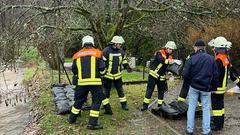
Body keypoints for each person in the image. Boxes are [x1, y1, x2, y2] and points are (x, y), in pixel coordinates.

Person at [68, 35, 112, 130]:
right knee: (96, 102)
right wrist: (103, 74)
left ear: (83, 43)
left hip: (82, 83)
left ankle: (71, 119)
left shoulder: (76, 55)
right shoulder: (98, 53)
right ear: (92, 43)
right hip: (95, 83)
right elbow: (102, 68)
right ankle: (92, 124)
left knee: (79, 101)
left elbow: (74, 71)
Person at [184, 39, 218, 135]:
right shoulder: (211, 59)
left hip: (194, 87)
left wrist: (190, 82)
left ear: (196, 48)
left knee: (191, 108)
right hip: (206, 88)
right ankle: (207, 131)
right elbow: (215, 75)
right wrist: (214, 88)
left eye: (194, 47)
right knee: (206, 109)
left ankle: (190, 130)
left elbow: (185, 74)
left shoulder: (192, 58)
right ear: (204, 48)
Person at [141, 41, 177, 111]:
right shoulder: (159, 52)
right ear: (166, 48)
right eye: (170, 49)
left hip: (162, 77)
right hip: (153, 75)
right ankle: (145, 106)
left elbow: (169, 67)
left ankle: (160, 106)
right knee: (149, 90)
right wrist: (171, 61)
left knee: (161, 92)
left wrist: (170, 75)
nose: (171, 50)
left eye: (172, 49)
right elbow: (161, 60)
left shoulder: (170, 57)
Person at [102, 36, 132, 111]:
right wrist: (102, 72)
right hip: (107, 75)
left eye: (120, 44)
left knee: (120, 90)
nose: (120, 45)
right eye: (119, 44)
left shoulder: (121, 51)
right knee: (106, 91)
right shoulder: (106, 51)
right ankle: (105, 105)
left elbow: (124, 60)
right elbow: (102, 62)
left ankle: (124, 104)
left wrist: (127, 66)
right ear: (115, 43)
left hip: (118, 75)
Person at [208, 36, 231, 131]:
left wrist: (211, 86)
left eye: (214, 48)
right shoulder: (226, 58)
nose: (213, 49)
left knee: (216, 106)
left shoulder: (218, 59)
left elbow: (215, 75)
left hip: (217, 87)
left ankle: (217, 125)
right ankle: (220, 122)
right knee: (220, 106)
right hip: (223, 86)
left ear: (217, 48)